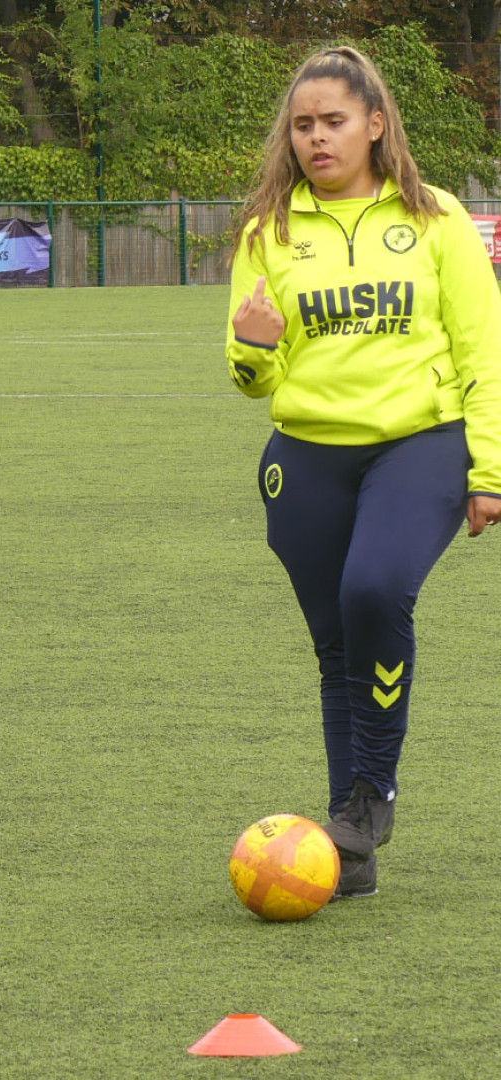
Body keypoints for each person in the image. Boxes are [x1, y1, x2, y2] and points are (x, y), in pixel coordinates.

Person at [226, 46, 501, 899]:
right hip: (307, 455)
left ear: (375, 125)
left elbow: (484, 351)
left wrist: (489, 469)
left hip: (420, 443)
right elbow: (253, 379)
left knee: (376, 590)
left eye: (334, 121)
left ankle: (373, 794)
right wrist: (253, 348)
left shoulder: (436, 218)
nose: (316, 138)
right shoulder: (268, 232)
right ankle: (348, 849)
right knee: (338, 647)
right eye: (302, 125)